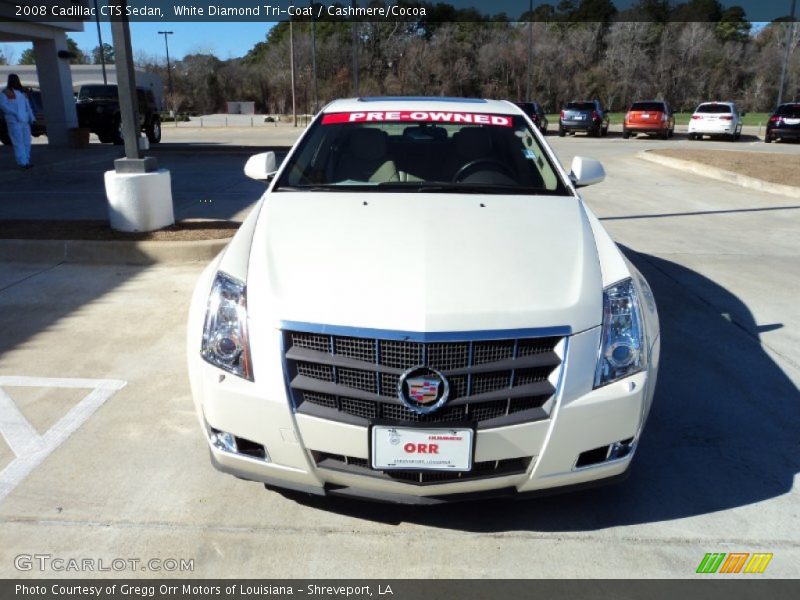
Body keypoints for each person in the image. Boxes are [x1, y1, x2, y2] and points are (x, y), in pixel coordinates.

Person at [0, 74, 36, 169]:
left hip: (25, 121)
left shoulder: (23, 92)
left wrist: (32, 118)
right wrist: (14, 113)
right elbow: (3, 105)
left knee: (27, 141)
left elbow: (28, 106)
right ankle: (22, 163)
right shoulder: (6, 92)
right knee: (18, 142)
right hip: (14, 121)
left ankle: (26, 161)